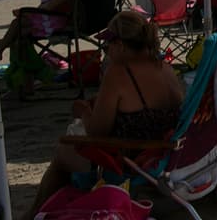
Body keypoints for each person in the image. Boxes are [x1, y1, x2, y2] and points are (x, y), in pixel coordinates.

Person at [27, 11, 184, 218]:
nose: (106, 51)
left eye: (107, 45)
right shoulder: (165, 68)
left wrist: (83, 111)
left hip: (127, 161)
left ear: (120, 45)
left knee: (63, 155)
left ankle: (33, 214)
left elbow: (97, 131)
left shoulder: (119, 73)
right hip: (161, 156)